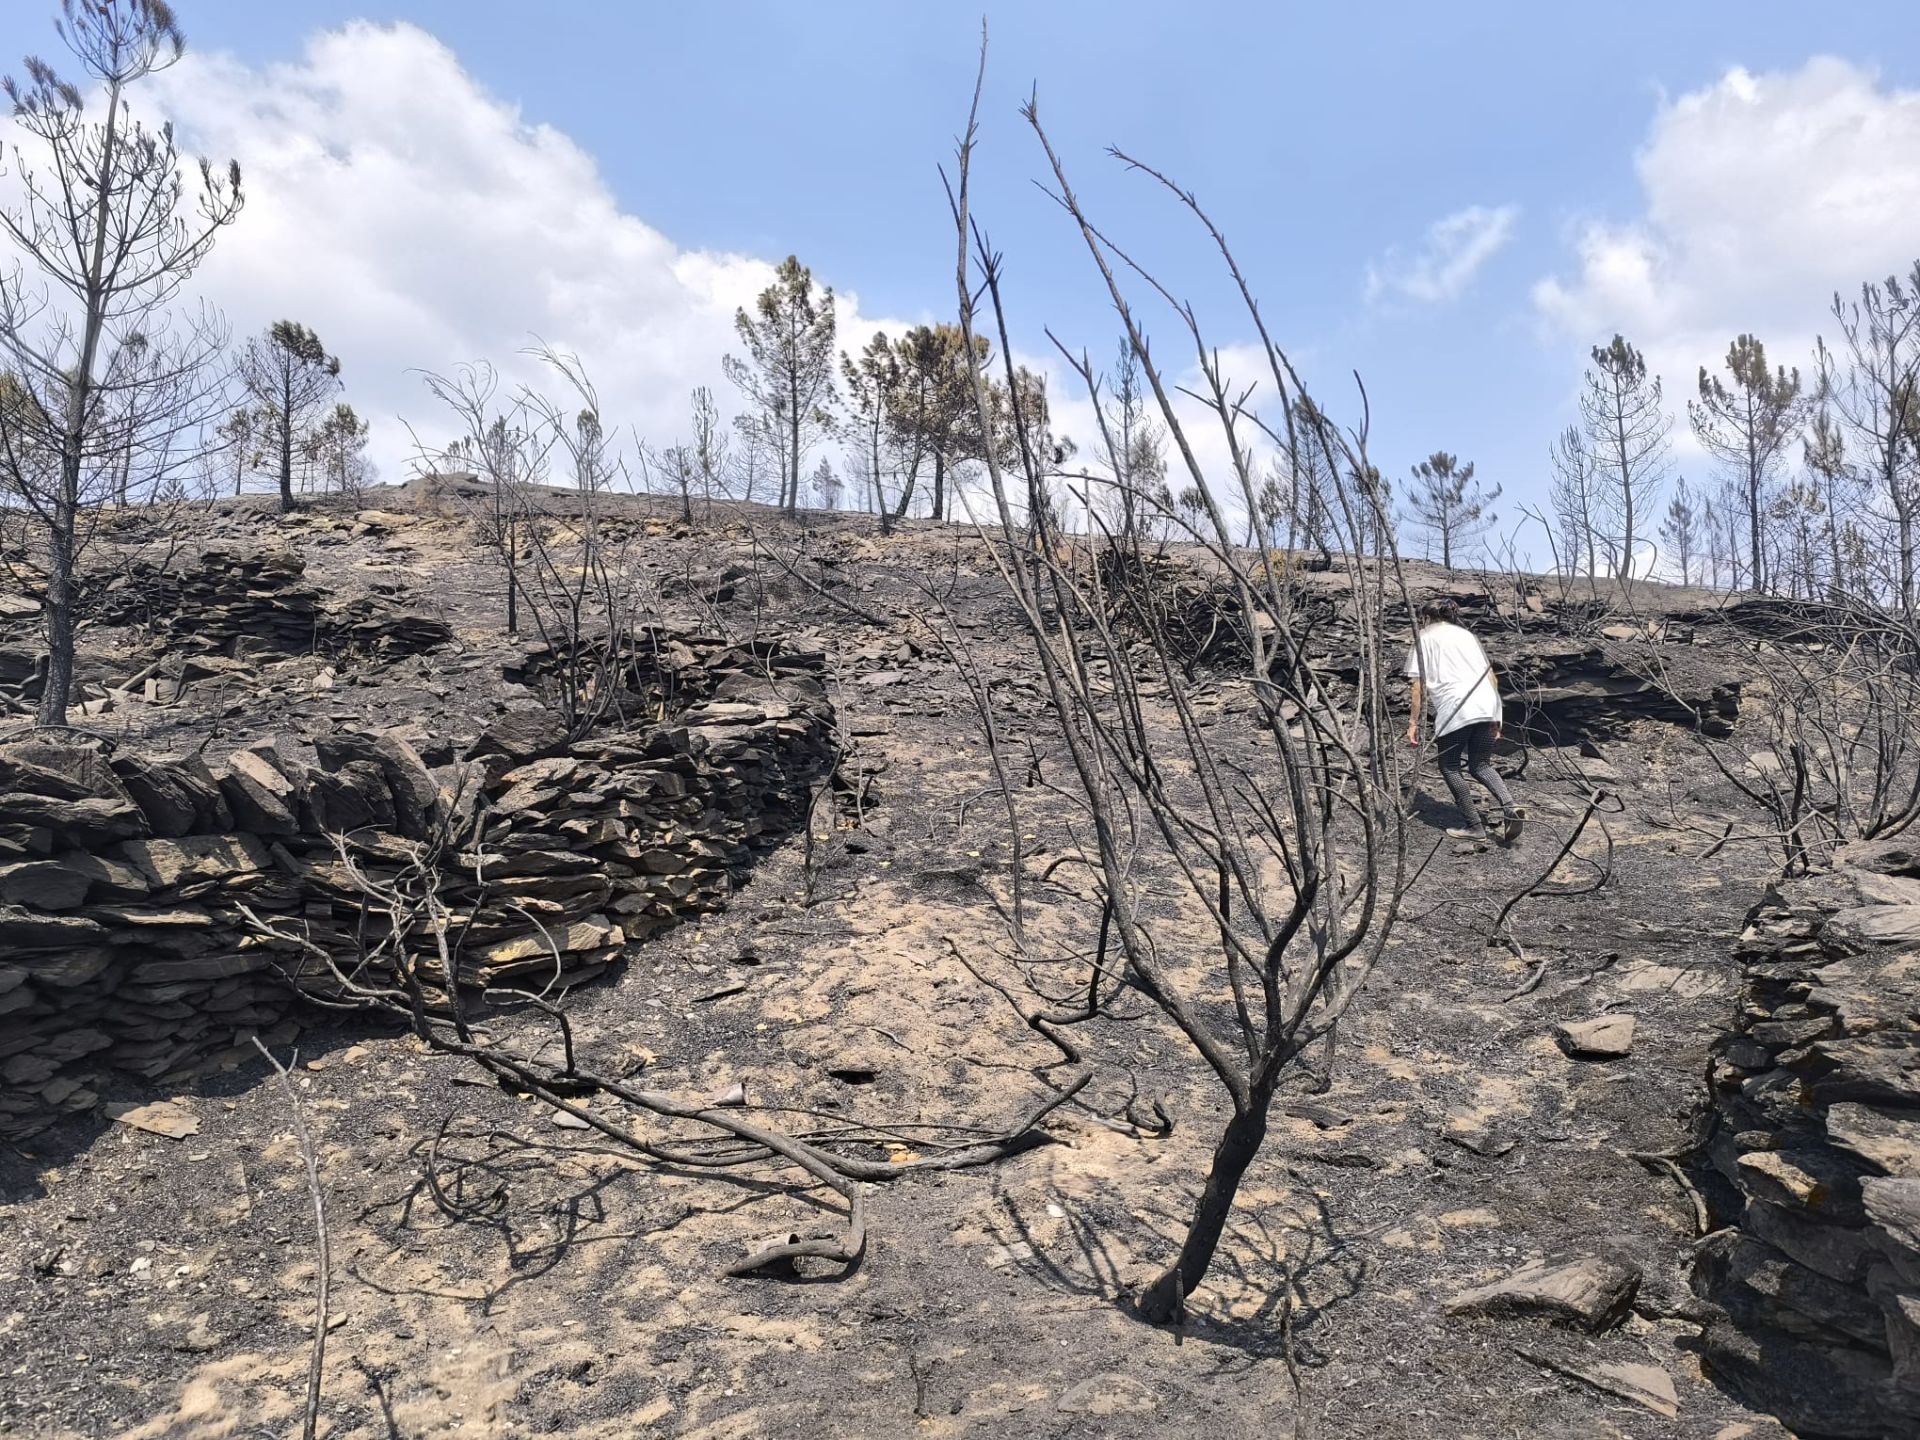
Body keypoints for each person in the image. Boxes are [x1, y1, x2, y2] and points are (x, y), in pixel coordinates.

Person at [1403, 599, 1524, 843]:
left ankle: (1475, 827)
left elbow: (1418, 686)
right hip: (1486, 703)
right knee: (1481, 764)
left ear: (1426, 618)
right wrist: (1496, 716)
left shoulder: (1424, 638)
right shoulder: (1468, 637)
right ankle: (1510, 807)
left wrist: (1413, 723)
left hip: (1456, 706)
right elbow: (1490, 676)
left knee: (1449, 766)